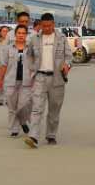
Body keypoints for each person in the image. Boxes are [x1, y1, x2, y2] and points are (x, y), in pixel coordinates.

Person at [28, 12, 70, 145]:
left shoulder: (61, 38)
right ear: (40, 25)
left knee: (54, 109)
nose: (46, 28)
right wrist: (31, 69)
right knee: (37, 108)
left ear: (53, 24)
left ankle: (51, 135)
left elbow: (69, 56)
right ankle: (33, 136)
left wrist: (67, 65)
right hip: (40, 77)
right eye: (44, 26)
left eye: (49, 26)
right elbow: (29, 55)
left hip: (57, 78)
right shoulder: (34, 39)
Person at [2, 19, 34, 142]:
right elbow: (4, 65)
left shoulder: (30, 49)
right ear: (15, 35)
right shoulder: (8, 49)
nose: (21, 35)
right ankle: (14, 129)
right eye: (19, 33)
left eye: (23, 33)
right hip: (11, 81)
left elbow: (34, 65)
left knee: (24, 104)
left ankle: (23, 120)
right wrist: (0, 80)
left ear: (26, 35)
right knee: (12, 106)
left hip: (26, 81)